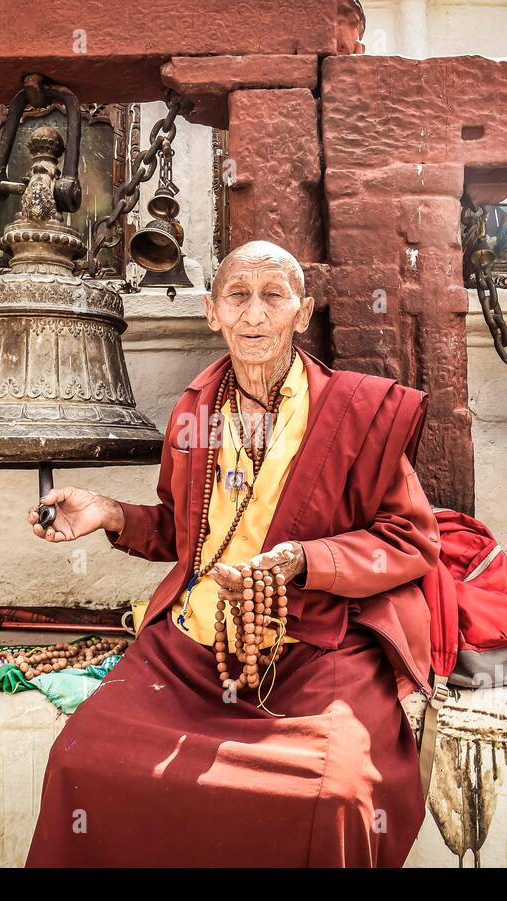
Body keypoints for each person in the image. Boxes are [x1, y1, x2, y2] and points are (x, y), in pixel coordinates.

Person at [23, 240, 439, 867]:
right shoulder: (194, 413)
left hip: (314, 645)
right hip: (198, 647)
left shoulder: (353, 411)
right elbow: (182, 535)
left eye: (274, 297)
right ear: (212, 311)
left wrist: (307, 560)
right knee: (81, 757)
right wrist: (110, 513)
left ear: (302, 313)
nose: (254, 314)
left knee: (338, 793)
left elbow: (408, 539)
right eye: (237, 297)